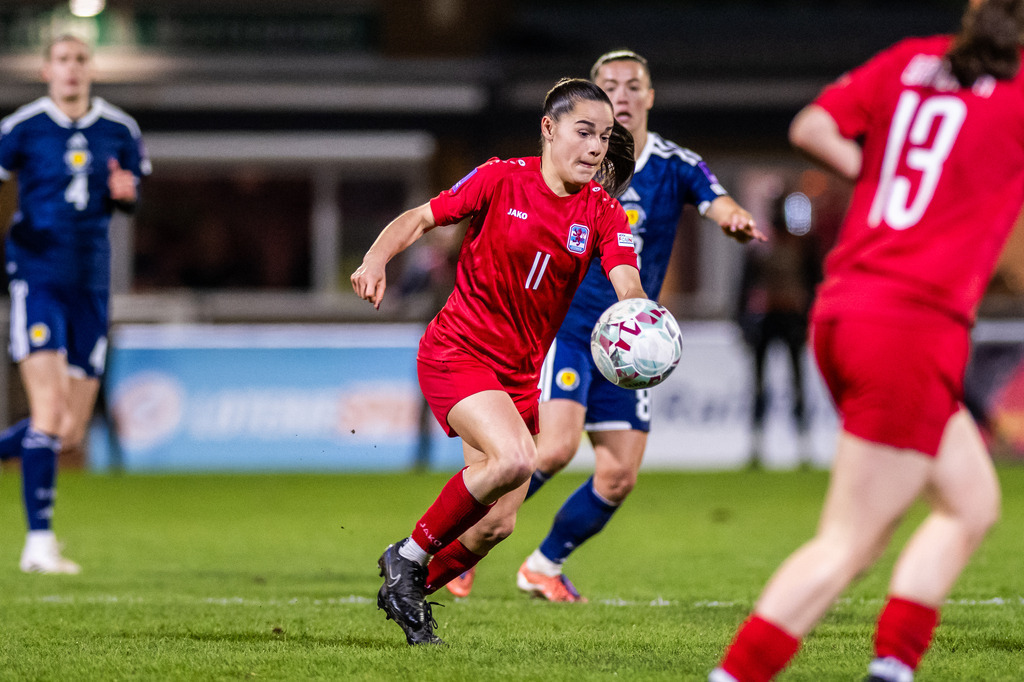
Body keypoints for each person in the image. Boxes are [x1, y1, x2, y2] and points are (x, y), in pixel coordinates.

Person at [710, 1, 1023, 680]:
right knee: (850, 543)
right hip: (911, 325)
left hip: (849, 308)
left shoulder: (915, 58)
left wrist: (886, 175)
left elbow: (811, 126)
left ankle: (893, 667)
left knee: (971, 505)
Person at [443, 49, 763, 602]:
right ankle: (467, 542)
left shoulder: (676, 163)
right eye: (610, 85)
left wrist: (733, 216)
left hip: (630, 342)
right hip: (568, 329)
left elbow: (716, 199)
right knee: (554, 449)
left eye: (634, 85)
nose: (623, 94)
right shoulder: (580, 167)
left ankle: (543, 565)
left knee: (618, 477)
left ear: (650, 96)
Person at [352, 77, 646, 646]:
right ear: (549, 128)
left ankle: (407, 589)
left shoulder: (604, 211)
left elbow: (625, 278)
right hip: (457, 352)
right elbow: (419, 218)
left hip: (518, 377)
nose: (595, 148)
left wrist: (639, 315)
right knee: (515, 459)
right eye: (584, 132)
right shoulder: (499, 178)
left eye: (605, 137)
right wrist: (375, 258)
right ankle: (405, 556)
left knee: (495, 525)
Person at [0, 34, 150, 574]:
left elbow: (131, 197)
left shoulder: (119, 129)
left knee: (69, 431)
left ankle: (39, 541)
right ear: (46, 71)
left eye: (80, 59)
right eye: (62, 60)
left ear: (91, 68)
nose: (71, 69)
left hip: (91, 285)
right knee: (48, 412)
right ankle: (38, 544)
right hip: (37, 280)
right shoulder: (21, 127)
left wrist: (126, 195)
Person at [737, 190, 821, 468]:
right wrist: (742, 322)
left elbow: (814, 284)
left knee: (797, 383)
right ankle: (757, 445)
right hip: (766, 317)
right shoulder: (761, 246)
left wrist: (811, 318)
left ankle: (803, 444)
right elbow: (744, 287)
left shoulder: (800, 245)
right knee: (760, 385)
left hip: (791, 316)